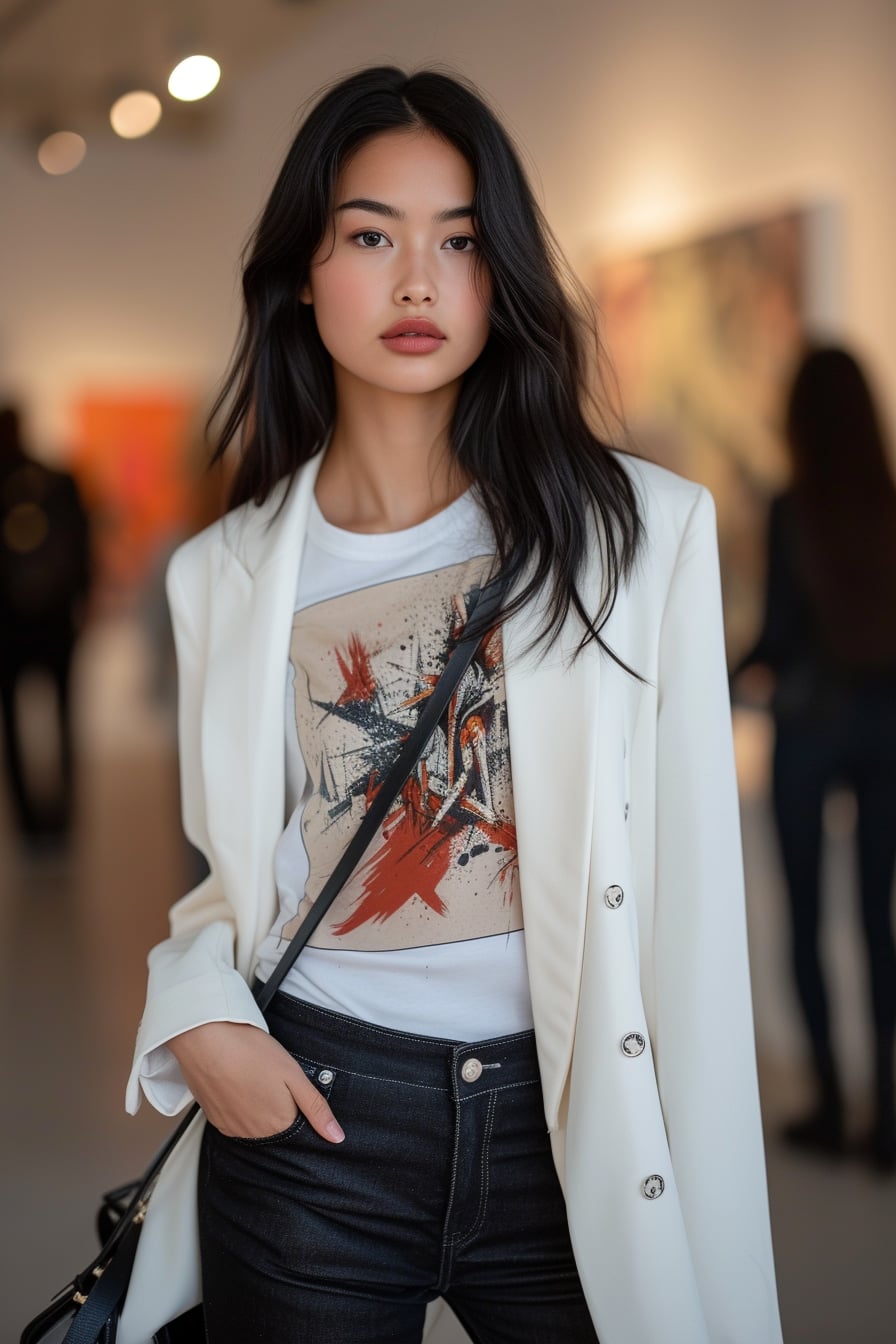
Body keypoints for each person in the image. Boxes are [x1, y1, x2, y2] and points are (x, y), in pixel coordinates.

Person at [122, 67, 783, 1344]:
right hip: (313, 1114)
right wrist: (199, 1012)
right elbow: (230, 880)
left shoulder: (637, 536)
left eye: (461, 241)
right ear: (302, 276)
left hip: (569, 1124)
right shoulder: (226, 574)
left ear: (502, 276)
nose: (417, 281)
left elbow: (693, 905)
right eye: (371, 236)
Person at [737, 345, 896, 1173]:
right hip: (887, 724)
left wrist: (713, 679)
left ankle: (833, 1107)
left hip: (810, 726)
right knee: (879, 924)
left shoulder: (793, 507)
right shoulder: (888, 501)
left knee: (805, 919)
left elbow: (776, 639)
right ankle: (889, 1120)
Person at [0, 404, 90, 842]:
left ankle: (43, 821)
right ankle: (47, 821)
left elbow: (81, 544)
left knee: (36, 723)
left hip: (33, 624)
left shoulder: (53, 482)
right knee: (54, 719)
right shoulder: (56, 481)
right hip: (38, 623)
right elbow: (82, 545)